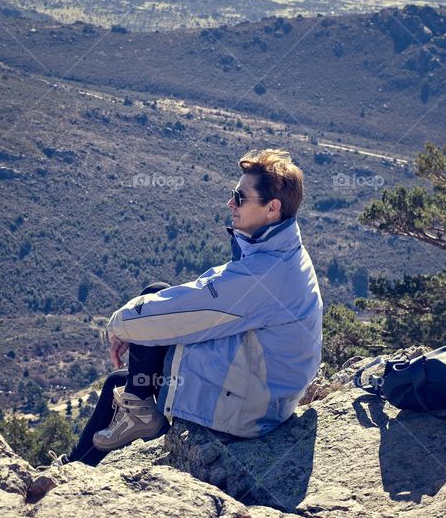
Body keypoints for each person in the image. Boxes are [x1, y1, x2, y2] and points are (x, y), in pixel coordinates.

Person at [60, 148, 323, 467]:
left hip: (252, 411)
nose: (230, 203)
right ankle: (76, 465)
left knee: (152, 316)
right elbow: (207, 300)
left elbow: (188, 311)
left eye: (239, 197)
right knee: (122, 379)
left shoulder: (265, 274)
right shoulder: (281, 248)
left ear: (272, 208)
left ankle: (76, 468)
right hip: (266, 390)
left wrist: (119, 325)